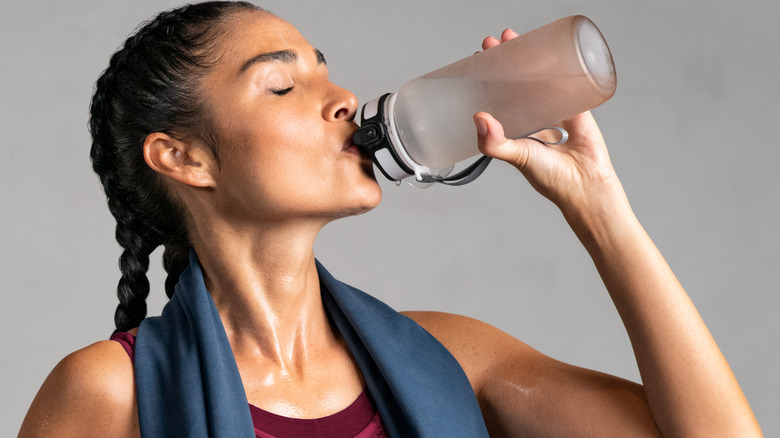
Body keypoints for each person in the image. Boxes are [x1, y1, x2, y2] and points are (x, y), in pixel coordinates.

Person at [19, 2, 762, 437]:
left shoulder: (452, 357)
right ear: (185, 159)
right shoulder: (108, 393)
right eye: (282, 85)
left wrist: (602, 209)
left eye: (324, 67)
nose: (342, 97)